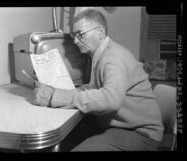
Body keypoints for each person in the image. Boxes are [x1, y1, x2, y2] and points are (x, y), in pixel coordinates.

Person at [33, 9, 164, 151]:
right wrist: (57, 91)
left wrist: (55, 96)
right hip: (119, 125)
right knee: (65, 138)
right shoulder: (101, 54)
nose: (76, 41)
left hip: (140, 133)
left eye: (80, 34)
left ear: (100, 33)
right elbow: (95, 89)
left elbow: (111, 98)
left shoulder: (114, 57)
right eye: (74, 35)